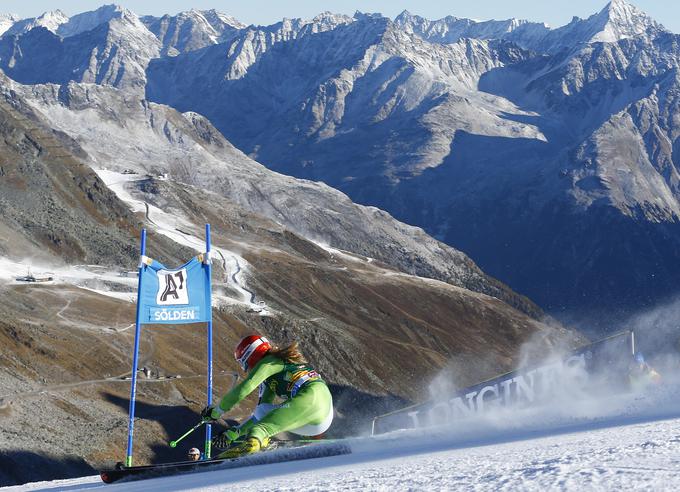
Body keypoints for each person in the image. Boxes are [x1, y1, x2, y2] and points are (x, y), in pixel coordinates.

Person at [201, 334, 333, 459]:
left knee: (261, 429)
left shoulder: (269, 362)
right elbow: (261, 414)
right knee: (262, 410)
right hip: (321, 411)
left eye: (243, 362)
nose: (244, 368)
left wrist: (217, 411)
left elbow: (244, 388)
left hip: (312, 397)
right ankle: (315, 441)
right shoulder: (273, 374)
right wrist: (234, 433)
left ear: (250, 356)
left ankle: (255, 443)